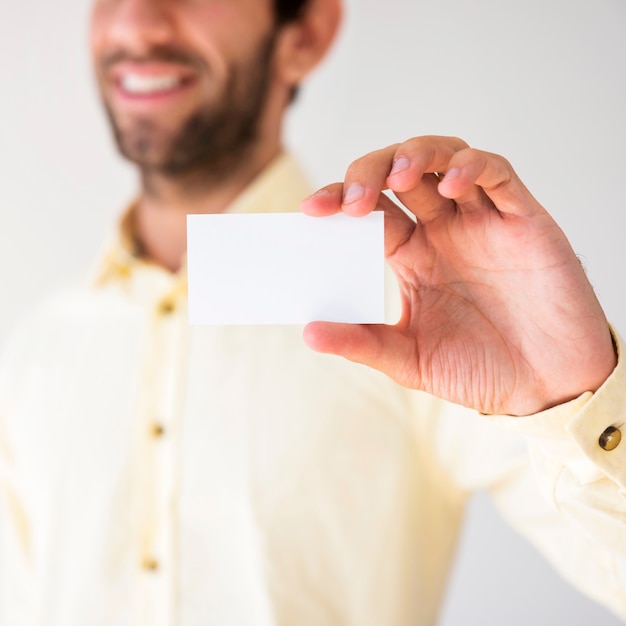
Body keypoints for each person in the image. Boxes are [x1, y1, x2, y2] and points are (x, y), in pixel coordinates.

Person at [0, 1, 624, 626]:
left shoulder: (423, 316)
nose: (136, 22)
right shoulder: (34, 351)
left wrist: (577, 393)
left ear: (305, 34)